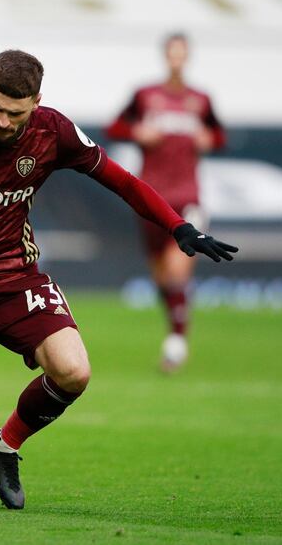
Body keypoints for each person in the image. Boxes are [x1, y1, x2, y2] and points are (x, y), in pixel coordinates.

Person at [0, 49, 237, 510]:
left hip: (13, 279)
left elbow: (123, 182)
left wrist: (178, 226)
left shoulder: (52, 131)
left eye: (14, 113)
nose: (2, 121)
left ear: (37, 102)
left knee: (74, 371)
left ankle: (3, 446)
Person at [105, 33, 226, 373]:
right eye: (171, 54)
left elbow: (219, 134)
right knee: (160, 275)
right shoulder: (146, 96)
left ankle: (176, 342)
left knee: (177, 269)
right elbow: (114, 126)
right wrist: (136, 133)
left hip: (188, 197)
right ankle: (175, 325)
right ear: (165, 57)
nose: (176, 60)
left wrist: (209, 139)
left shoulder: (200, 100)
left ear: (187, 57)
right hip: (152, 199)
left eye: (181, 54)